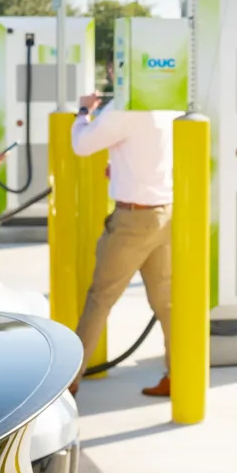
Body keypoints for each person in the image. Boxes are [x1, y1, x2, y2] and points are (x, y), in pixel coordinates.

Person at [68, 88, 177, 398]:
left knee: (99, 299)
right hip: (164, 214)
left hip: (131, 220)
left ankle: (69, 383)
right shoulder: (166, 103)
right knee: (167, 304)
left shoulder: (123, 108)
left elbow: (81, 144)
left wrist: (83, 111)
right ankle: (179, 375)